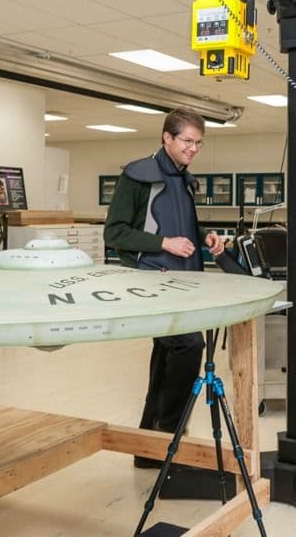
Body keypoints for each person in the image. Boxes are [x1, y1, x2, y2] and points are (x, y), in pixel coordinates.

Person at [103, 107, 225, 468]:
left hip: (184, 281)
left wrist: (206, 238)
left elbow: (181, 229)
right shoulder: (138, 176)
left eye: (198, 143)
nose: (193, 149)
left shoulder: (184, 179)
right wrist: (164, 245)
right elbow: (115, 233)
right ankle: (170, 439)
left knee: (165, 360)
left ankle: (149, 448)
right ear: (166, 137)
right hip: (153, 282)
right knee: (189, 347)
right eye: (187, 141)